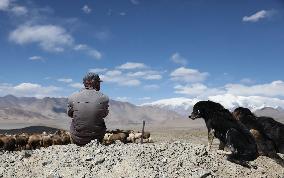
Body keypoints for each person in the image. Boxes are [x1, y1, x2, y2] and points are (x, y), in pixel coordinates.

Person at [67, 72, 109, 146]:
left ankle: (75, 147)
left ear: (84, 83)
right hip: (97, 137)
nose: (100, 85)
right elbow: (104, 114)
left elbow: (70, 114)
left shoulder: (72, 96)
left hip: (77, 137)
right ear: (96, 83)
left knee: (74, 120)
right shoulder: (104, 98)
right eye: (99, 83)